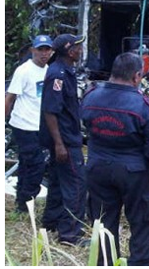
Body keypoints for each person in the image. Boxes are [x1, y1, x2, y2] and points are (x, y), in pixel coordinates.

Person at [81, 52, 149, 266]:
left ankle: (105, 263)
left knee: (103, 222)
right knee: (142, 223)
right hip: (134, 173)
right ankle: (139, 263)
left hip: (98, 169)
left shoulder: (90, 97)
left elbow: (85, 125)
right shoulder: (143, 106)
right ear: (137, 76)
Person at [39, 33, 87, 245]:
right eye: (78, 47)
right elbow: (50, 111)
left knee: (58, 182)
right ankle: (70, 234)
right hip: (65, 140)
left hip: (65, 137)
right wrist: (59, 144)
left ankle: (51, 222)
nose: (81, 49)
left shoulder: (64, 71)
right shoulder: (58, 74)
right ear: (70, 51)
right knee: (77, 184)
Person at [5, 35, 53, 213]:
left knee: (26, 164)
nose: (44, 53)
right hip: (23, 125)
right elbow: (10, 98)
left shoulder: (48, 70)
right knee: (36, 165)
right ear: (33, 50)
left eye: (47, 49)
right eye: (40, 49)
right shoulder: (24, 71)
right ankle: (27, 200)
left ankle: (21, 201)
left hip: (38, 125)